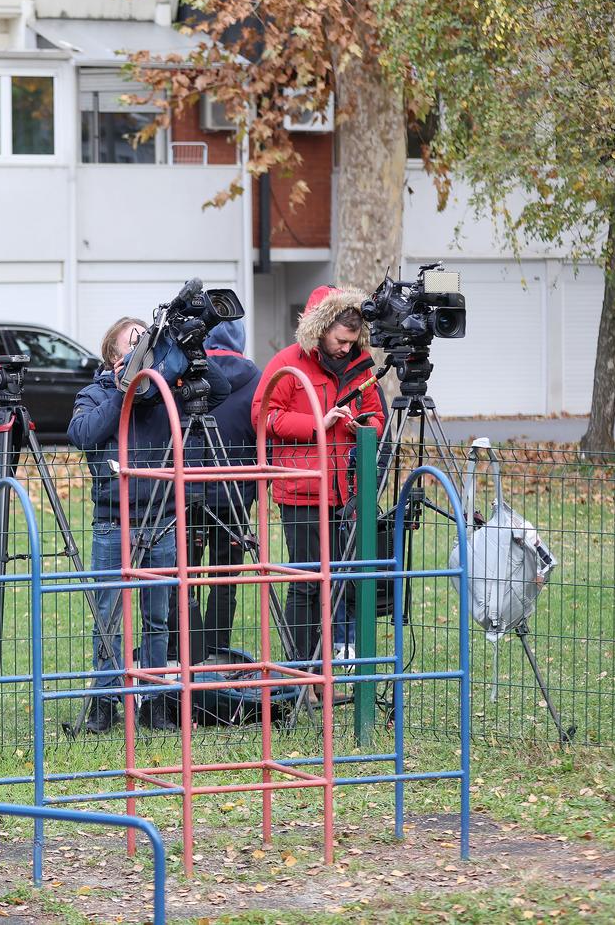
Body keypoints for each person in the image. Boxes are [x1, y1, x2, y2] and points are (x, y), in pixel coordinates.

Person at [68, 315, 229, 733]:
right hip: (113, 522)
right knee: (109, 620)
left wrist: (188, 347)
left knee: (158, 618)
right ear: (113, 355)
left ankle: (155, 702)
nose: (143, 347)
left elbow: (223, 390)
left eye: (147, 341)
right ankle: (105, 702)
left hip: (162, 521)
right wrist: (124, 392)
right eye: (133, 342)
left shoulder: (167, 394)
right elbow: (82, 434)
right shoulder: (95, 392)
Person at [253, 286, 387, 666]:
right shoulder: (287, 363)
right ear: (320, 327)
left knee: (344, 584)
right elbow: (262, 416)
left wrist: (366, 425)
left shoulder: (362, 367)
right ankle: (302, 670)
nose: (346, 348)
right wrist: (316, 423)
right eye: (340, 340)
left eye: (352, 340)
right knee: (307, 585)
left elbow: (377, 416)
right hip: (302, 493)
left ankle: (332, 663)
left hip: (347, 495)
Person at [187, 320, 262, 658]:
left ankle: (188, 649)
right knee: (225, 574)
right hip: (236, 490)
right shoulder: (257, 378)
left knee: (183, 572)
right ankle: (217, 649)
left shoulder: (188, 373)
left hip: (187, 487)